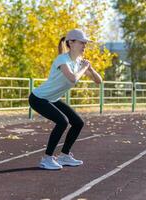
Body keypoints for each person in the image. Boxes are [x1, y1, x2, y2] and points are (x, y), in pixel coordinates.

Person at [28, 29, 102, 170]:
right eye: (82, 43)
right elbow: (73, 78)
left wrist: (91, 69)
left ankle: (64, 156)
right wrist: (83, 68)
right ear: (71, 43)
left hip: (53, 99)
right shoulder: (62, 60)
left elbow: (99, 81)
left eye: (85, 43)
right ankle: (47, 158)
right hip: (38, 98)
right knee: (62, 121)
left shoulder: (79, 62)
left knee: (78, 123)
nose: (84, 46)